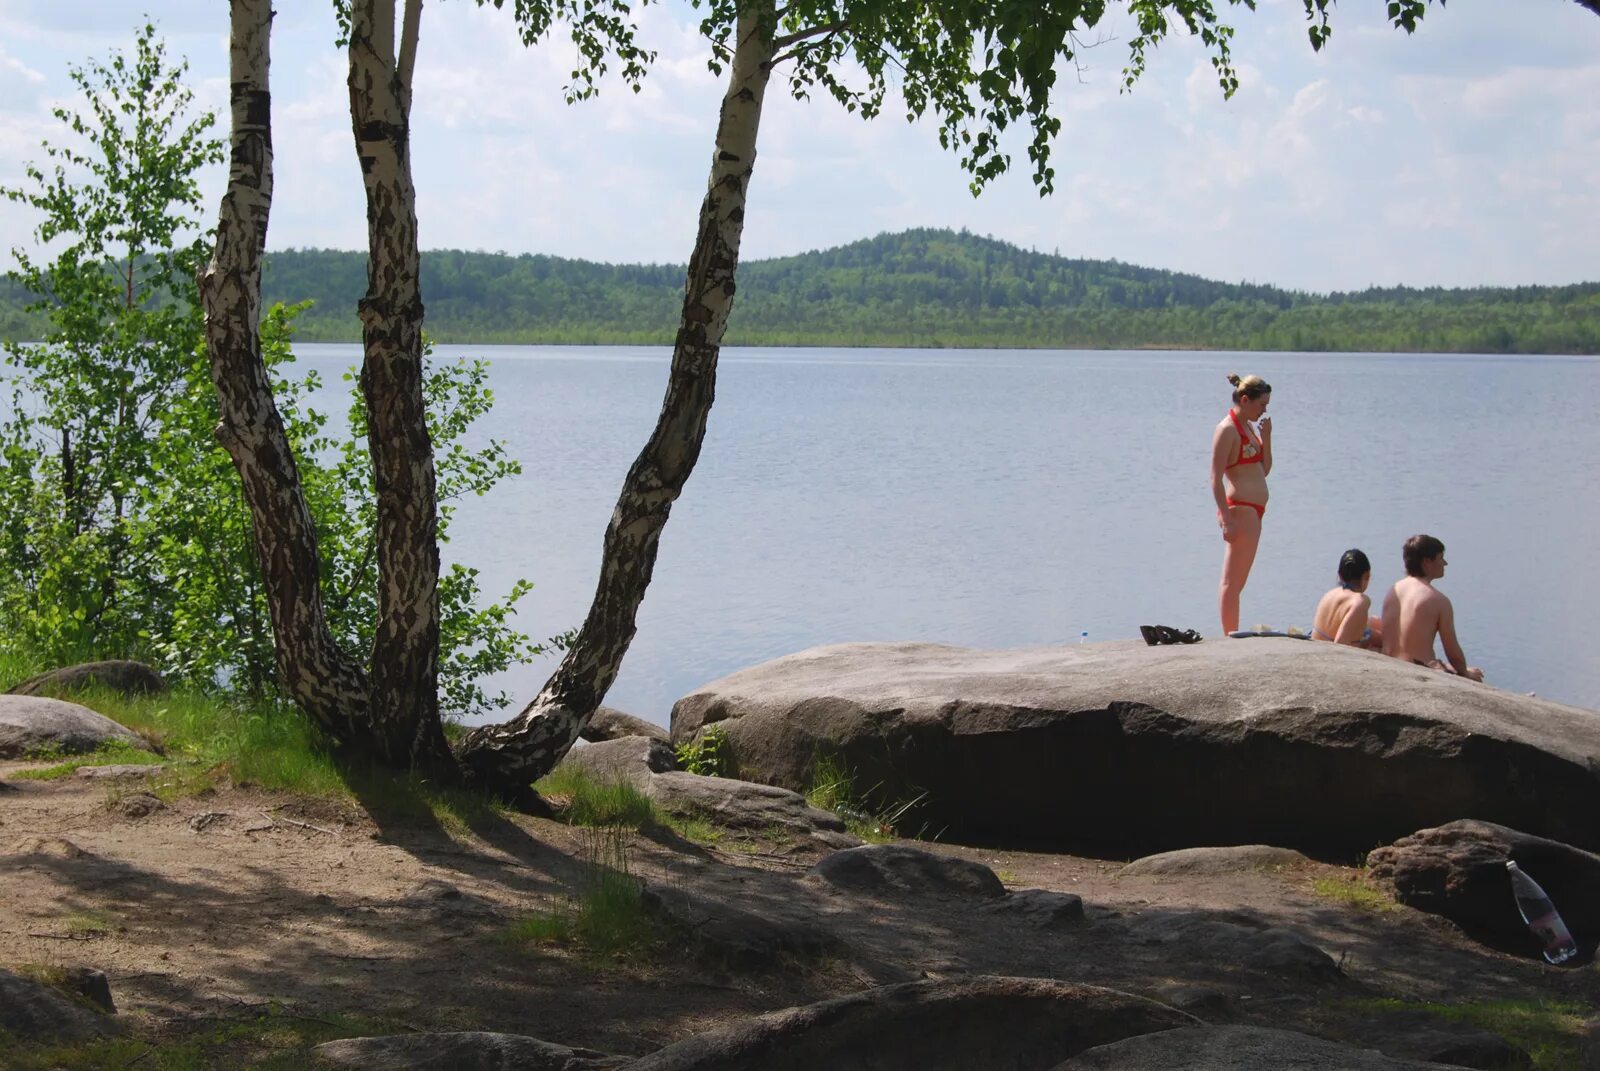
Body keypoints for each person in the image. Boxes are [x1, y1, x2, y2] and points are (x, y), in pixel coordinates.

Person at [1210, 373, 1272, 634]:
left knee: (1240, 580)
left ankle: (1232, 631)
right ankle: (1230, 635)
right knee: (1231, 581)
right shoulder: (1227, 429)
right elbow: (1215, 478)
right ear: (1245, 400)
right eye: (1261, 405)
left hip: (1254, 511)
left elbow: (1264, 469)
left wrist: (1266, 437)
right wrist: (1226, 519)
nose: (1264, 410)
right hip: (1240, 509)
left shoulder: (1248, 427)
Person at [1381, 534, 1484, 681]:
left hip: (1389, 664)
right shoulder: (1438, 600)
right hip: (1419, 670)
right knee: (1475, 676)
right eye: (1441, 557)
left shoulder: (1393, 590)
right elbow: (1453, 653)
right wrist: (1466, 673)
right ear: (1427, 561)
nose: (1445, 563)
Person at [1312, 548, 1383, 649]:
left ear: (1340, 575)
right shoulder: (1360, 601)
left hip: (1317, 648)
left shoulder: (1329, 595)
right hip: (1329, 656)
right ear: (1366, 576)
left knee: (1375, 622)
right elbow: (1339, 645)